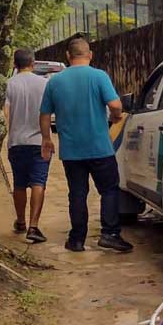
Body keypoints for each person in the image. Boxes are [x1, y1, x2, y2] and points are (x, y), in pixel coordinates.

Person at [39, 37, 132, 253]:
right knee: (109, 190)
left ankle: (77, 240)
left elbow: (45, 115)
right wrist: (116, 117)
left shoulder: (54, 81)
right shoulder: (99, 76)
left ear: (68, 57)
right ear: (89, 55)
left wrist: (46, 139)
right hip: (100, 147)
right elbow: (115, 104)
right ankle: (110, 234)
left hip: (71, 151)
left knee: (77, 193)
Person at [4, 49, 51, 244]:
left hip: (16, 141)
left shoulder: (9, 84)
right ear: (33, 63)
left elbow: (5, 112)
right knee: (38, 182)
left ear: (15, 64)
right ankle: (34, 226)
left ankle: (21, 221)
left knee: (20, 183)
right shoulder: (45, 84)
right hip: (39, 141)